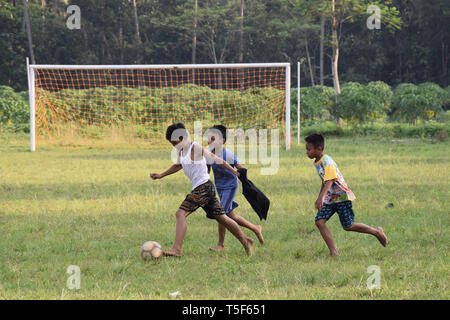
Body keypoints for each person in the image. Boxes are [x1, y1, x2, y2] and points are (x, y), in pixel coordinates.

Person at [150, 123, 253, 257]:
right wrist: (161, 175)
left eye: (175, 143)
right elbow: (178, 165)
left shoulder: (195, 147)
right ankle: (246, 241)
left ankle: (176, 249)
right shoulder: (182, 151)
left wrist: (234, 171)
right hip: (205, 188)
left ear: (182, 138)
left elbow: (216, 159)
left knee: (180, 214)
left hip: (203, 187)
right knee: (223, 218)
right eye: (172, 144)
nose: (174, 147)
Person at [305, 133, 388, 256]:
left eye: (309, 149)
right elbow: (324, 180)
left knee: (348, 226)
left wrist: (321, 198)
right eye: (306, 149)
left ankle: (376, 232)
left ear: (319, 149)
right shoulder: (317, 162)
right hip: (330, 198)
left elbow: (330, 179)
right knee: (319, 222)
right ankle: (334, 253)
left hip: (341, 197)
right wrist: (320, 197)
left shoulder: (327, 161)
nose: (307, 152)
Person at [206, 125, 264, 252]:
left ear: (222, 141)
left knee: (220, 213)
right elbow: (207, 171)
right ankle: (255, 228)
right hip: (220, 188)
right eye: (208, 139)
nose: (209, 141)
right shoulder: (208, 154)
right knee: (230, 215)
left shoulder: (228, 155)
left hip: (230, 187)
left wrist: (247, 184)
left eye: (213, 139)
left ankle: (221, 245)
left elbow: (241, 168)